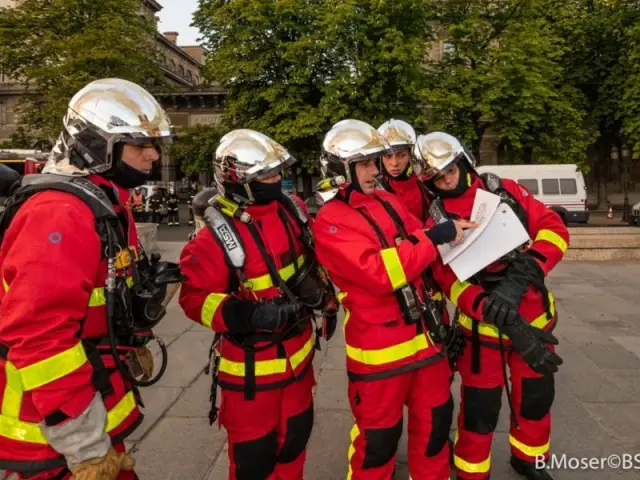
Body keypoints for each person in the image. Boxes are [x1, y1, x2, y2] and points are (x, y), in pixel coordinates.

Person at [0, 78, 180, 479]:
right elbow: (39, 335)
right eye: (139, 145)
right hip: (51, 437)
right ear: (96, 145)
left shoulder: (103, 202)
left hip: (90, 405)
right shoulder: (59, 213)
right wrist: (85, 445)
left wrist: (134, 339)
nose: (153, 154)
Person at [312, 119, 482, 480]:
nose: (377, 170)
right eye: (367, 164)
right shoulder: (330, 221)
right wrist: (434, 238)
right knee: (378, 446)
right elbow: (380, 273)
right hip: (381, 357)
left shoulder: (387, 199)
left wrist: (458, 231)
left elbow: (418, 237)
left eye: (377, 161)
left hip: (428, 344)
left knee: (435, 435)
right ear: (342, 169)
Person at [178, 129, 338, 480]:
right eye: (266, 175)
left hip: (299, 362)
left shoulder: (292, 211)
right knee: (254, 462)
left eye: (278, 172)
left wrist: (326, 298)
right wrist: (243, 314)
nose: (277, 180)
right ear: (239, 180)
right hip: (251, 375)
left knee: (294, 447)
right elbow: (192, 300)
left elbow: (310, 261)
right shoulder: (212, 239)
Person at [413, 132, 566, 480]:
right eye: (437, 177)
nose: (447, 179)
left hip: (534, 316)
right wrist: (486, 305)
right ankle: (471, 470)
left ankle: (530, 459)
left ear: (462, 161)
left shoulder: (503, 190)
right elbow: (445, 279)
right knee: (480, 408)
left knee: (536, 397)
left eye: (450, 169)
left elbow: (553, 228)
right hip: (481, 332)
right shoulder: (436, 220)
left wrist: (526, 273)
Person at [377, 119, 432, 222]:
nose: (394, 163)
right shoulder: (373, 191)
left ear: (411, 155)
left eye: (401, 155)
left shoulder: (427, 184)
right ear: (380, 158)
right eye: (388, 156)